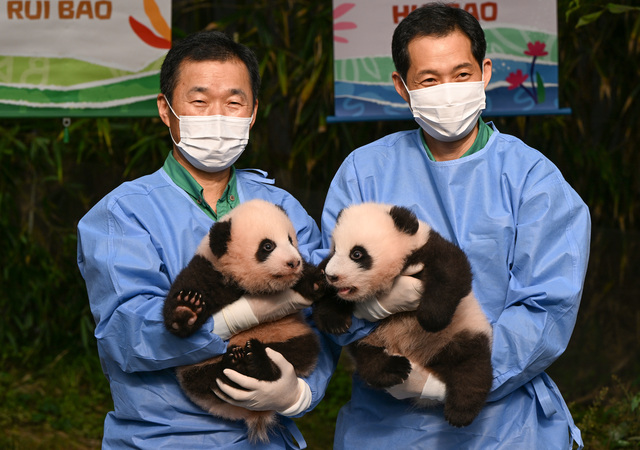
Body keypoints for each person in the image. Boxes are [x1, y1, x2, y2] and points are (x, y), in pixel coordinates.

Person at [318, 3, 591, 449]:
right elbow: (330, 288)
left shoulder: (531, 179)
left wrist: (457, 379)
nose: (447, 90)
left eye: (461, 74)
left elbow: (547, 309)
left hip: (504, 426)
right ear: (402, 88)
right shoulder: (363, 174)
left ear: (485, 72)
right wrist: (373, 314)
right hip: (385, 425)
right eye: (428, 79)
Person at [76, 30, 344, 449]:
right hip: (161, 439)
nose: (217, 115)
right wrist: (232, 319)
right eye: (199, 101)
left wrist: (300, 394)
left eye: (234, 102)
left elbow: (326, 315)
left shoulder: (282, 208)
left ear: (253, 112)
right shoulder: (122, 213)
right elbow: (126, 335)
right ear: (167, 110)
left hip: (268, 439)